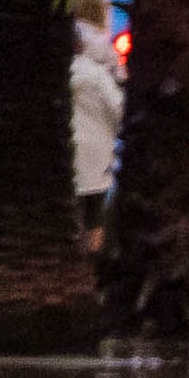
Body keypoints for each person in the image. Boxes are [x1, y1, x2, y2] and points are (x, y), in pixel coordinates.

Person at [67, 14, 122, 237]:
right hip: (96, 157)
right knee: (94, 218)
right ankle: (89, 263)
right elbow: (118, 109)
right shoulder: (97, 74)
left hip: (65, 155)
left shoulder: (54, 73)